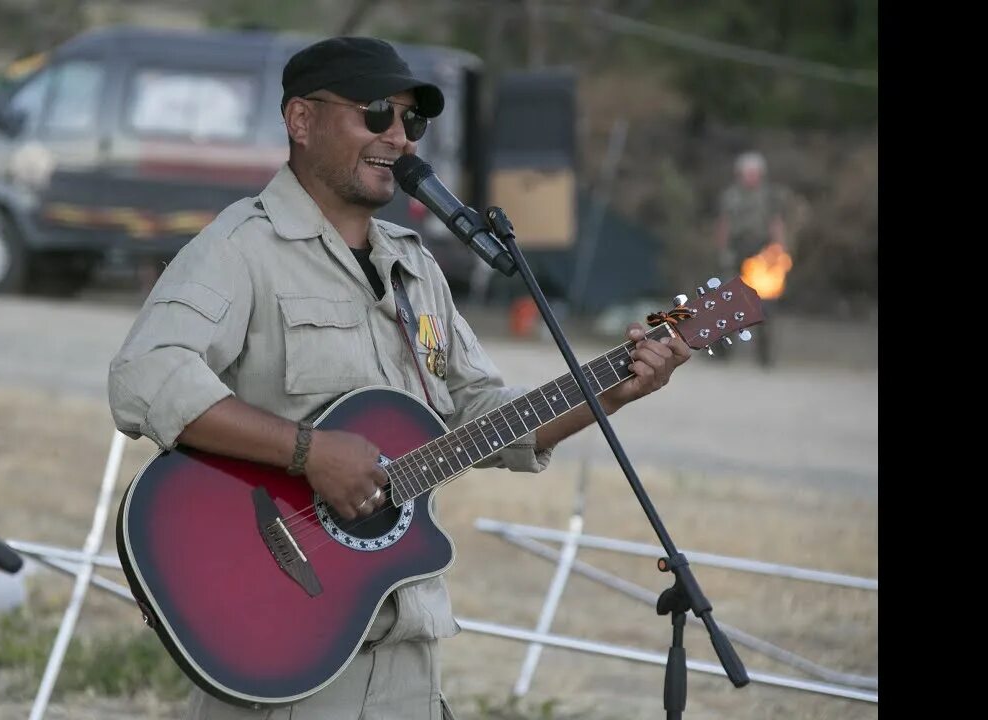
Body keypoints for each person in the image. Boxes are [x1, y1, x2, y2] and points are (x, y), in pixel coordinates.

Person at [108, 36, 691, 720]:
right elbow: (145, 376)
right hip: (288, 655)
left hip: (408, 664)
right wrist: (309, 451)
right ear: (301, 120)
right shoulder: (242, 249)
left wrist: (614, 390)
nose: (400, 137)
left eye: (412, 122)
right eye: (377, 113)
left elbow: (484, 417)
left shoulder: (417, 269)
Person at [713, 151, 795, 368]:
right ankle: (722, 353)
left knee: (764, 306)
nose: (751, 177)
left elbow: (776, 224)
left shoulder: (769, 197)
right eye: (747, 173)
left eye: (755, 173)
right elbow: (724, 225)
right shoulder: (730, 196)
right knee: (728, 303)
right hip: (736, 254)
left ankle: (765, 357)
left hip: (761, 257)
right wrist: (722, 252)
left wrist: (780, 251)